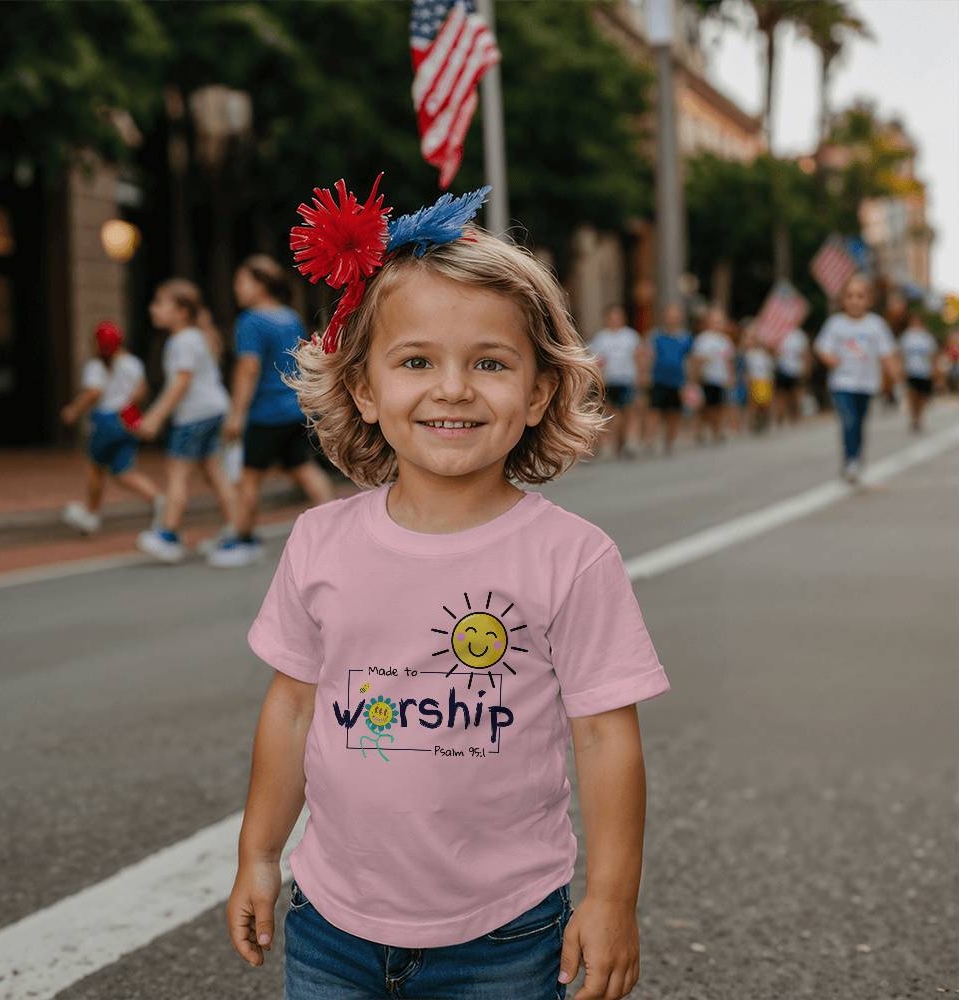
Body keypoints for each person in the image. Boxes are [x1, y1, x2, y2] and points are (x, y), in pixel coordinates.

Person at [226, 175, 671, 1000]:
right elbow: (292, 706)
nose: (454, 388)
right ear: (364, 385)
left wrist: (611, 900)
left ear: (539, 391)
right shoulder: (320, 540)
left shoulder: (571, 557)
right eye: (416, 360)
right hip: (330, 922)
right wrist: (258, 853)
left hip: (503, 932)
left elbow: (608, 739)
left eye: (491, 363)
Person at [208, 255, 336, 568]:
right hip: (294, 408)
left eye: (242, 282)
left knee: (248, 480)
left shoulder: (251, 321)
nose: (237, 289)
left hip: (265, 414)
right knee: (305, 471)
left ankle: (243, 538)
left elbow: (248, 368)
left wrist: (237, 414)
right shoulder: (289, 316)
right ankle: (338, 531)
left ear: (261, 285)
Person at [135, 279, 238, 562]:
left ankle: (167, 534)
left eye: (159, 303)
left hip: (194, 415)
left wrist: (154, 417)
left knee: (177, 473)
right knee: (214, 472)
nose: (152, 309)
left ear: (181, 311)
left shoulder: (183, 341)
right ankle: (236, 529)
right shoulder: (195, 337)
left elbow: (181, 383)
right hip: (213, 410)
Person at [60, 320, 162, 535]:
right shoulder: (133, 362)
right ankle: (159, 499)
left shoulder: (96, 365)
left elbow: (94, 392)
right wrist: (127, 407)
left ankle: (92, 514)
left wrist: (74, 410)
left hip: (105, 420)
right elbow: (141, 391)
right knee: (124, 471)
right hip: (128, 418)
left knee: (95, 468)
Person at [814, 274, 900, 483]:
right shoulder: (835, 324)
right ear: (843, 300)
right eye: (850, 296)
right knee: (849, 420)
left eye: (860, 296)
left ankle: (855, 456)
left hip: (866, 384)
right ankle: (851, 460)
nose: (854, 300)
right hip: (842, 383)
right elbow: (821, 347)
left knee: (859, 422)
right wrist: (830, 359)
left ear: (869, 300)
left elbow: (887, 353)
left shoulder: (875, 325)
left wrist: (895, 375)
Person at [588, 304, 642, 459]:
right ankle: (599, 444)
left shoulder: (630, 336)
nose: (614, 320)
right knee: (607, 414)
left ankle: (624, 443)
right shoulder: (601, 338)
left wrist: (639, 376)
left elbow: (638, 357)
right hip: (609, 381)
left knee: (627, 413)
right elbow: (596, 361)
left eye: (617, 317)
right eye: (612, 317)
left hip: (626, 379)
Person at [643, 302, 693, 456]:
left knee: (674, 412)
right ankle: (650, 441)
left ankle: (669, 441)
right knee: (654, 410)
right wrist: (645, 373)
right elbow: (649, 355)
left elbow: (689, 360)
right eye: (670, 316)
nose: (672, 319)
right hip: (658, 378)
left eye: (675, 316)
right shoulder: (656, 335)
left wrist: (690, 381)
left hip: (678, 381)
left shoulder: (685, 337)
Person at [690, 305, 734, 445]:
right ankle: (700, 431)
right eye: (715, 321)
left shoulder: (726, 341)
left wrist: (730, 376)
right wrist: (695, 378)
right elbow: (696, 360)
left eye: (720, 321)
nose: (718, 324)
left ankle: (717, 431)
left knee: (718, 407)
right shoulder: (703, 339)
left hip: (720, 378)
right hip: (706, 378)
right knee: (704, 407)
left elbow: (729, 361)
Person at [899, 310, 939, 433]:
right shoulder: (906, 336)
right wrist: (901, 369)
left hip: (924, 371)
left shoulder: (926, 337)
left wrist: (934, 369)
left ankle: (919, 416)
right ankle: (914, 418)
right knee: (912, 395)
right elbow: (901, 354)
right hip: (911, 370)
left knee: (922, 397)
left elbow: (932, 354)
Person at [773, 325, 811, 426]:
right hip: (781, 369)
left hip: (796, 370)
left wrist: (806, 368)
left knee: (795, 395)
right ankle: (780, 416)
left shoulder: (799, 335)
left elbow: (805, 353)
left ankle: (795, 415)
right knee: (781, 394)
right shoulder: (778, 332)